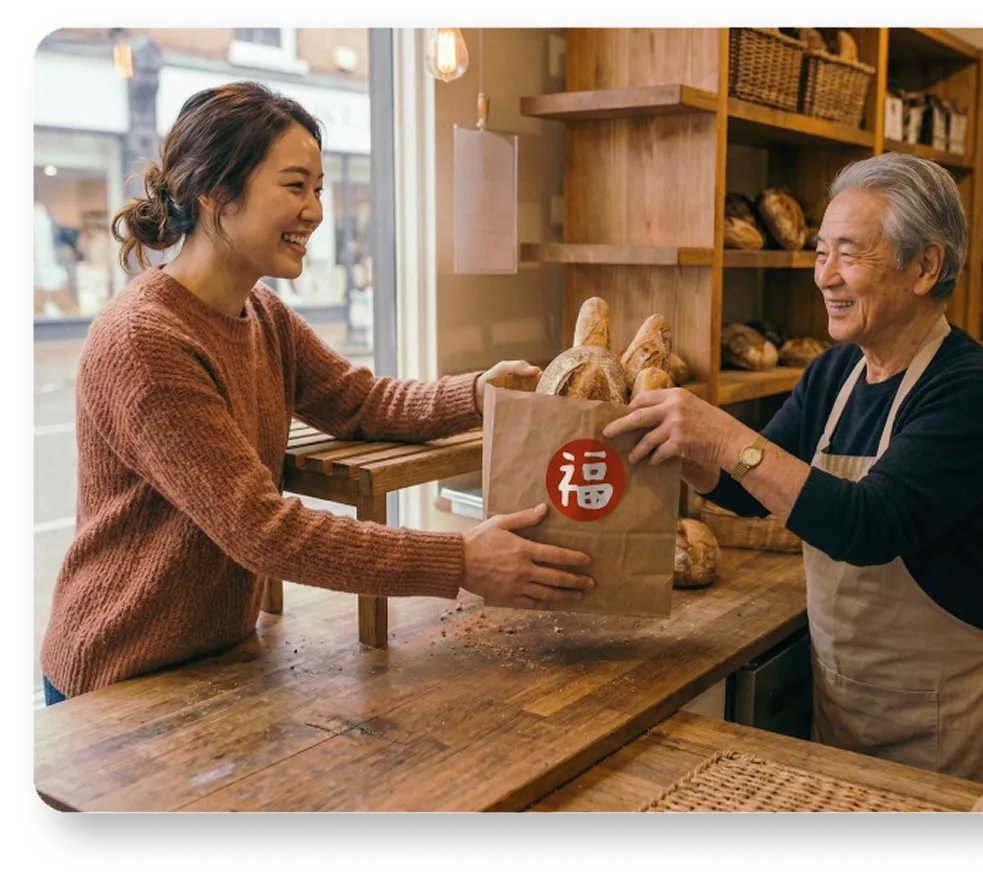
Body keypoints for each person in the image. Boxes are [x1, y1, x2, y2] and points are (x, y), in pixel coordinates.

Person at [39, 81, 594, 706]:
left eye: (319, 188)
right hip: (116, 681)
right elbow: (263, 531)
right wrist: (459, 559)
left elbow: (361, 402)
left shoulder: (262, 314)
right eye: (296, 185)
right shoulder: (144, 341)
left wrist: (476, 393)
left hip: (210, 662)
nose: (316, 211)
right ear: (219, 194)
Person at [604, 152, 983, 786]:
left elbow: (869, 525)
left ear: (926, 265)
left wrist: (724, 435)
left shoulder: (975, 391)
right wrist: (686, 453)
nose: (824, 277)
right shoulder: (834, 373)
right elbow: (753, 495)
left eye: (849, 255)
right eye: (819, 252)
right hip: (845, 700)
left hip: (944, 717)